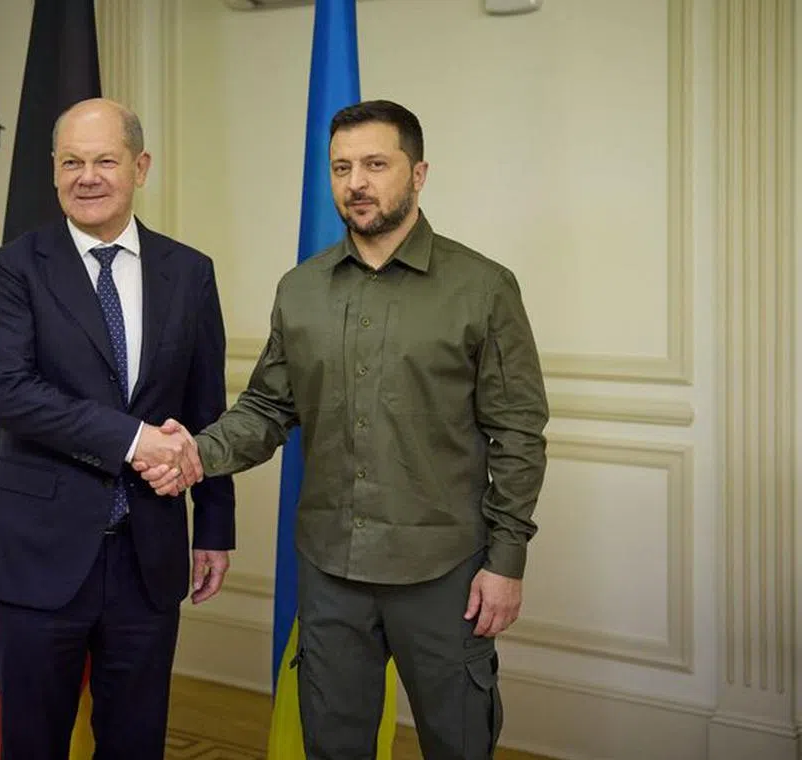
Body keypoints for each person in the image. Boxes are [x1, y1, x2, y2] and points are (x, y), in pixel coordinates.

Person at [137, 99, 549, 760]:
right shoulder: (300, 289)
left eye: (376, 164)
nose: (356, 182)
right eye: (342, 167)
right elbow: (267, 410)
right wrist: (193, 455)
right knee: (333, 747)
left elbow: (520, 435)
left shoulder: (483, 288)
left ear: (417, 174)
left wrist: (506, 563)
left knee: (460, 742)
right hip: (330, 569)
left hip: (444, 573)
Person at [0, 97, 234, 760]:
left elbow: (205, 408)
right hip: (38, 558)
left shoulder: (190, 272)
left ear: (140, 167)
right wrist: (133, 438)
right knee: (33, 744)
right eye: (71, 162)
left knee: (136, 743)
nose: (87, 176)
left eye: (105, 161)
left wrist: (216, 528)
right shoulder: (15, 268)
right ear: (54, 171)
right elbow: (9, 394)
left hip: (148, 556)